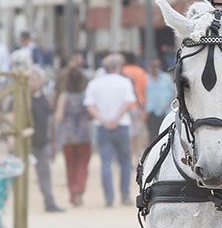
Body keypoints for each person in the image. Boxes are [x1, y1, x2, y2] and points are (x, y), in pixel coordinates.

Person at [83, 54, 137, 208]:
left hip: (102, 127)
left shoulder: (94, 83)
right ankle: (125, 195)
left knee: (105, 163)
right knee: (125, 162)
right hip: (122, 125)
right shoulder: (124, 82)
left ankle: (109, 198)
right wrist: (116, 119)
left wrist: (103, 119)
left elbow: (90, 106)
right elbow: (128, 103)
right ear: (117, 67)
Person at [28, 68, 64, 213]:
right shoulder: (21, 99)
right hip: (26, 144)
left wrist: (52, 143)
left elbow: (51, 122)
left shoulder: (45, 99)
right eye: (31, 79)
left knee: (45, 174)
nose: (34, 82)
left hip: (43, 143)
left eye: (36, 79)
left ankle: (50, 203)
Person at [56, 65, 92, 207]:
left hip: (68, 135)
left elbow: (58, 116)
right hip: (84, 134)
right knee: (83, 164)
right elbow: (90, 114)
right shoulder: (85, 96)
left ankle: (72, 193)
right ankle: (79, 189)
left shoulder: (64, 96)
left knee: (70, 166)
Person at [144, 57, 173, 139]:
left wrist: (169, 105)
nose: (155, 68)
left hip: (164, 111)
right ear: (150, 67)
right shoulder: (146, 79)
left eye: (157, 66)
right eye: (153, 66)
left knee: (165, 134)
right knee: (152, 135)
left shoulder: (166, 78)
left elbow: (174, 92)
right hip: (151, 111)